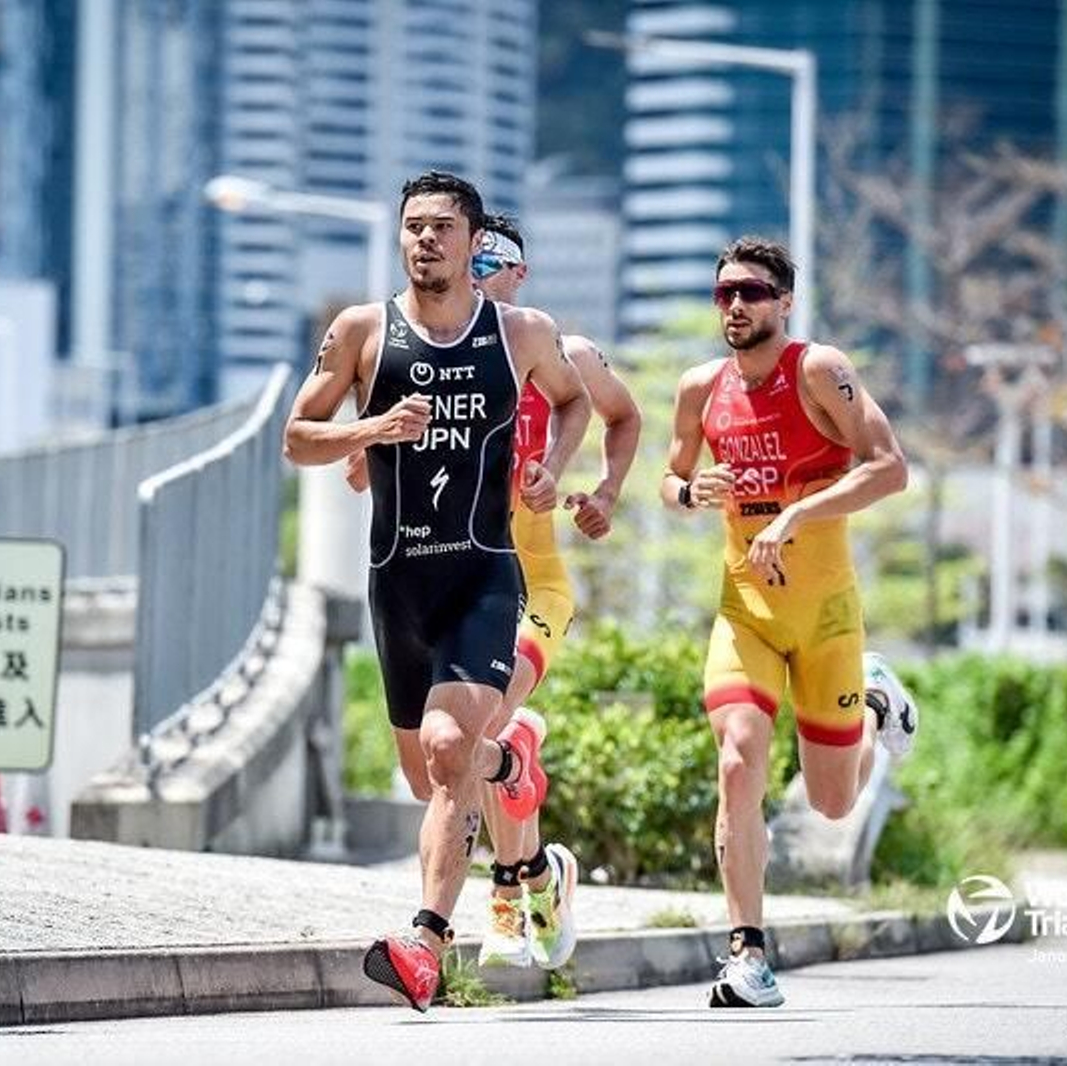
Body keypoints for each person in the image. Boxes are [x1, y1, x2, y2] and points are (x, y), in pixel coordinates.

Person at [283, 171, 589, 1013]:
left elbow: (574, 404)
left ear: (472, 240)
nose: (424, 241)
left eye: (441, 228)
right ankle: (510, 758)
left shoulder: (520, 333)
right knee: (430, 778)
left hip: (484, 573)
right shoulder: (361, 332)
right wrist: (372, 428)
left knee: (450, 750)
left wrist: (553, 471)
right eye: (412, 227)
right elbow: (297, 436)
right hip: (398, 585)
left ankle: (425, 941)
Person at [347, 213, 642, 972]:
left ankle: (500, 896)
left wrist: (600, 490)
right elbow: (361, 471)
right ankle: (537, 858)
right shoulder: (434, 357)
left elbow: (622, 414)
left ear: (522, 272)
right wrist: (376, 446)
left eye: (494, 260)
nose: (479, 272)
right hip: (443, 580)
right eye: (470, 260)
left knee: (467, 742)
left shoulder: (555, 350)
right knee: (436, 773)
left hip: (530, 584)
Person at [661, 235, 917, 1008]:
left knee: (833, 801)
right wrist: (689, 493)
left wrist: (796, 515)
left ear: (784, 301)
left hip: (828, 615)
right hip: (747, 611)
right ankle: (746, 954)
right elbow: (669, 482)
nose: (735, 305)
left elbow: (890, 466)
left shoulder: (820, 371)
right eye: (724, 293)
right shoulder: (701, 388)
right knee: (739, 759)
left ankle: (876, 707)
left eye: (752, 291)